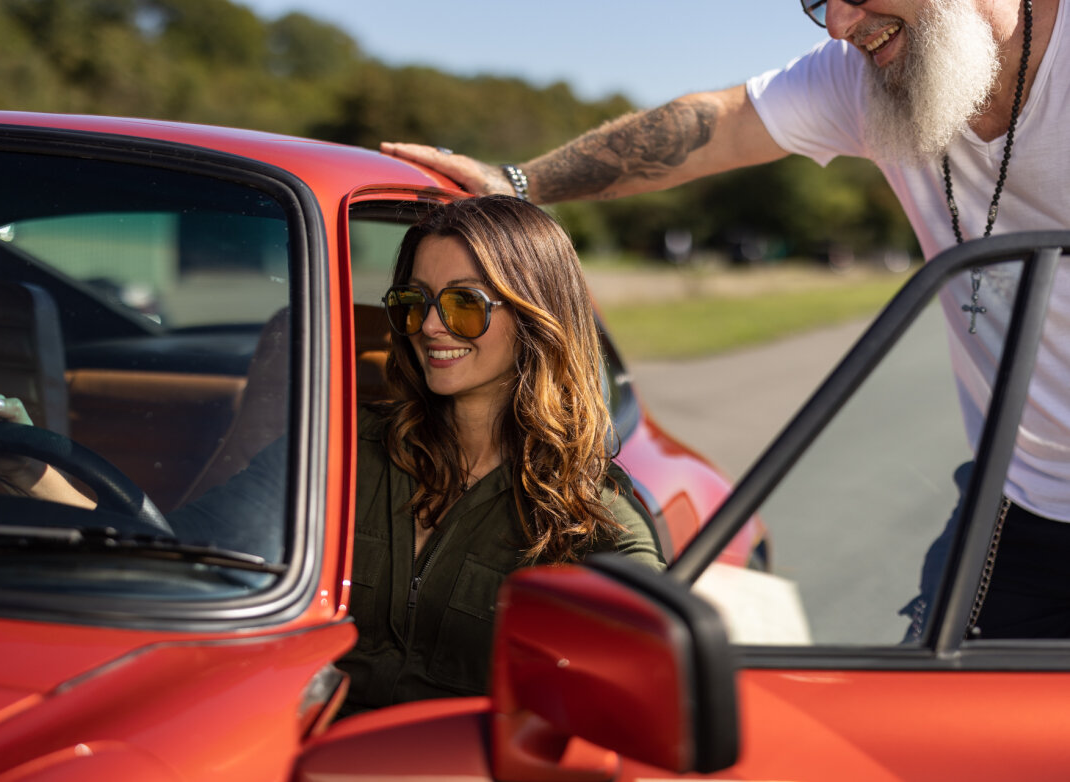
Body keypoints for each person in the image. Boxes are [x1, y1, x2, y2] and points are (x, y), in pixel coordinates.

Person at [382, 0, 1070, 639]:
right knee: (937, 730)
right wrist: (520, 186)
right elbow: (716, 125)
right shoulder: (865, 80)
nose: (836, 24)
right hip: (1016, 498)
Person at [0, 195, 666, 711]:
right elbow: (170, 554)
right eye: (412, 303)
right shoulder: (341, 453)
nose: (432, 327)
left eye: (466, 303)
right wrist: (32, 471)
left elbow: (639, 701)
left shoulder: (592, 521)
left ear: (536, 318)